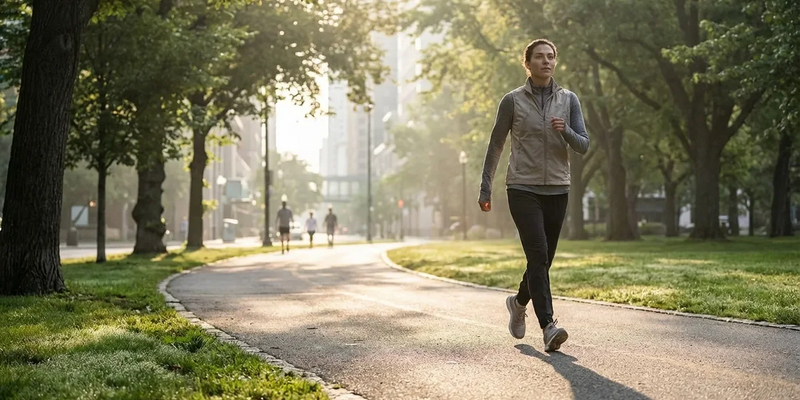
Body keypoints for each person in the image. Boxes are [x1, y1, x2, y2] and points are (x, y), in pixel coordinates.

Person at [479, 39, 589, 352]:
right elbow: (496, 144)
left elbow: (583, 144)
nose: (546, 61)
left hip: (558, 187)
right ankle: (548, 326)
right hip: (522, 187)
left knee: (543, 260)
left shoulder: (569, 100)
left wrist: (565, 130)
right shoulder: (512, 100)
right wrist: (486, 186)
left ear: (556, 62)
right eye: (539, 57)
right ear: (527, 63)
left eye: (551, 57)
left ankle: (518, 302)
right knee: (538, 254)